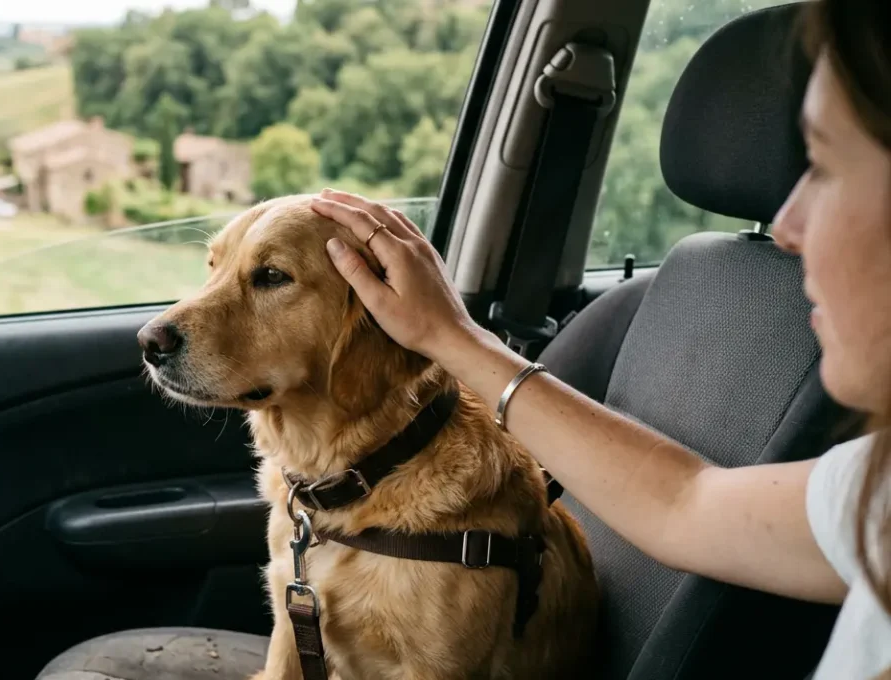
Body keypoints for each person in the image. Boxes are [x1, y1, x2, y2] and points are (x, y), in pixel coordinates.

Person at [308, 0, 890, 677]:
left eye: (823, 165)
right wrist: (452, 336)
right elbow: (683, 502)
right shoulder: (875, 490)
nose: (790, 224)